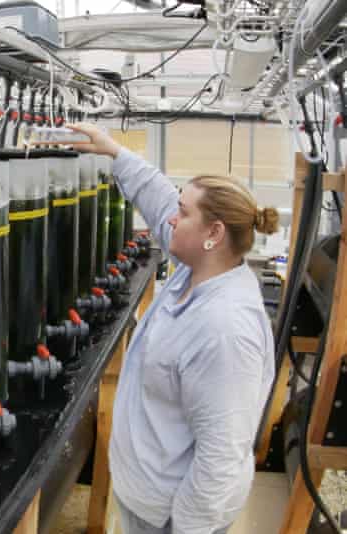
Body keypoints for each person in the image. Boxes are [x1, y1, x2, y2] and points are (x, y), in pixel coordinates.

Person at [68, 123, 280, 534]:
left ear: (213, 234)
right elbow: (158, 196)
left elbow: (220, 457)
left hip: (172, 519)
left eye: (183, 213)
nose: (170, 217)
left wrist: (185, 528)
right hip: (147, 497)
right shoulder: (196, 270)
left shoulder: (225, 331)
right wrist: (114, 152)